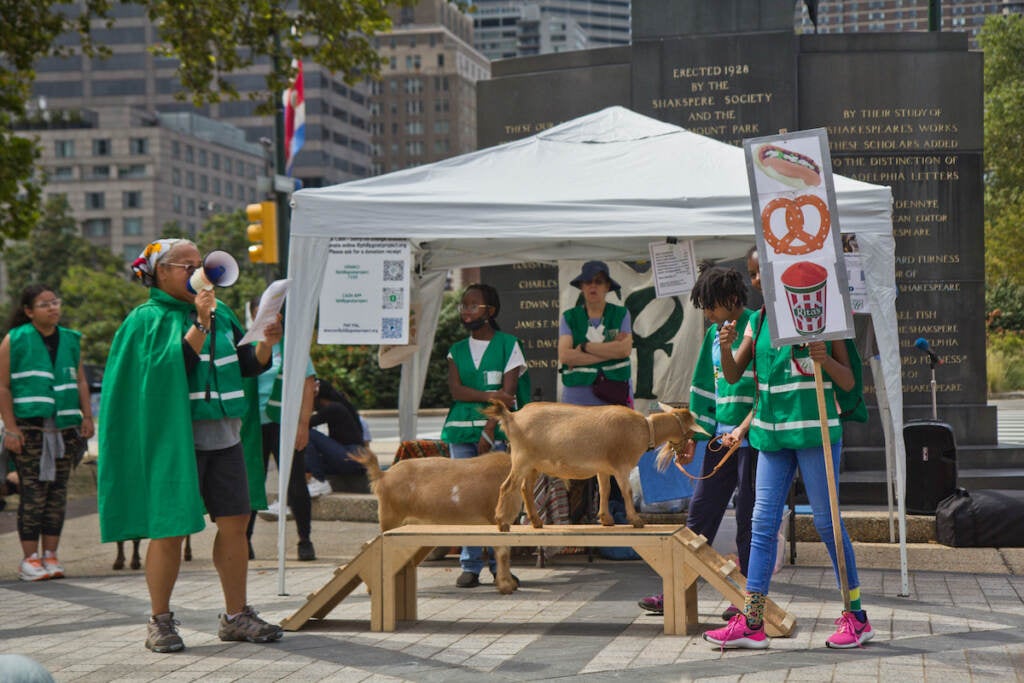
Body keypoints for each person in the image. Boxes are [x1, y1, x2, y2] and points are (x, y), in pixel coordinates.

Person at [98, 238, 283, 653]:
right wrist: (200, 322)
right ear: (161, 272)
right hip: (174, 441)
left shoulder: (223, 313)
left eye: (201, 264)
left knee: (235, 523)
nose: (199, 272)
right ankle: (159, 621)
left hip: (226, 437)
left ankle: (236, 615)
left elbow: (247, 365)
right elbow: (169, 371)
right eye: (188, 266)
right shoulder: (145, 319)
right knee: (170, 527)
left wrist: (267, 342)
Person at [704, 247, 872, 650]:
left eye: (760, 271)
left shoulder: (825, 316)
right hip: (770, 436)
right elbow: (733, 374)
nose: (755, 281)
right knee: (761, 526)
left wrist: (825, 360)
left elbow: (849, 382)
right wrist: (725, 346)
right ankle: (752, 621)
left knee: (828, 526)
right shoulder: (757, 320)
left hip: (815, 433)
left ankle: (857, 616)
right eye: (752, 274)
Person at [638, 265, 757, 619]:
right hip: (720, 439)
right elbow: (704, 390)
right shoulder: (713, 335)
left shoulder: (756, 326)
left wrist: (745, 429)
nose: (708, 315)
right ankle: (674, 590)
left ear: (732, 299)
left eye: (711, 306)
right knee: (700, 515)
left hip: (755, 440)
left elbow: (764, 389)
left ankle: (747, 598)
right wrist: (691, 436)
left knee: (750, 520)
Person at [0, 285, 93, 581]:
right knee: (33, 492)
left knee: (57, 493)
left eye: (55, 302)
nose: (53, 308)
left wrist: (86, 416)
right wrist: (11, 429)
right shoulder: (15, 339)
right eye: (44, 304)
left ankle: (50, 555)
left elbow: (80, 381)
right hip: (30, 429)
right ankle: (29, 558)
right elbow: (2, 386)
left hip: (65, 429)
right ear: (29, 311)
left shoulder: (70, 339)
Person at [440, 283, 527, 588]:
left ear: (490, 311)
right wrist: (490, 394)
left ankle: (500, 565)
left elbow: (509, 394)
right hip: (460, 429)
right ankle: (470, 564)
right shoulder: (456, 350)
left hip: (497, 432)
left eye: (472, 305)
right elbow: (456, 391)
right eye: (463, 305)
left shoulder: (508, 344)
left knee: (498, 498)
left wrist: (489, 431)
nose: (466, 310)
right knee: (466, 498)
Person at [557, 260, 633, 521]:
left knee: (614, 454)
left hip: (612, 396)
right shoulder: (569, 317)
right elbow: (565, 356)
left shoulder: (620, 314)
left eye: (599, 281)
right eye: (588, 281)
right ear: (581, 286)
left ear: (607, 287)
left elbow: (624, 350)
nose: (593, 286)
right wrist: (607, 352)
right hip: (577, 398)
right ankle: (577, 515)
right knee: (575, 454)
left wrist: (585, 348)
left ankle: (614, 512)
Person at [244, 298, 317, 562]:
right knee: (252, 482)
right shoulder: (247, 346)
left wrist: (303, 424)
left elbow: (308, 384)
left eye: (272, 313)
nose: (266, 318)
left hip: (284, 423)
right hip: (253, 424)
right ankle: (244, 541)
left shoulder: (292, 345)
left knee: (295, 482)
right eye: (260, 313)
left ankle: (305, 540)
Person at [305, 378, 366, 497]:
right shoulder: (338, 407)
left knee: (307, 434)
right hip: (351, 458)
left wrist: (306, 407)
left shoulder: (334, 408)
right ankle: (310, 482)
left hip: (352, 457)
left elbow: (304, 424)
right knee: (303, 461)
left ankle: (319, 481)